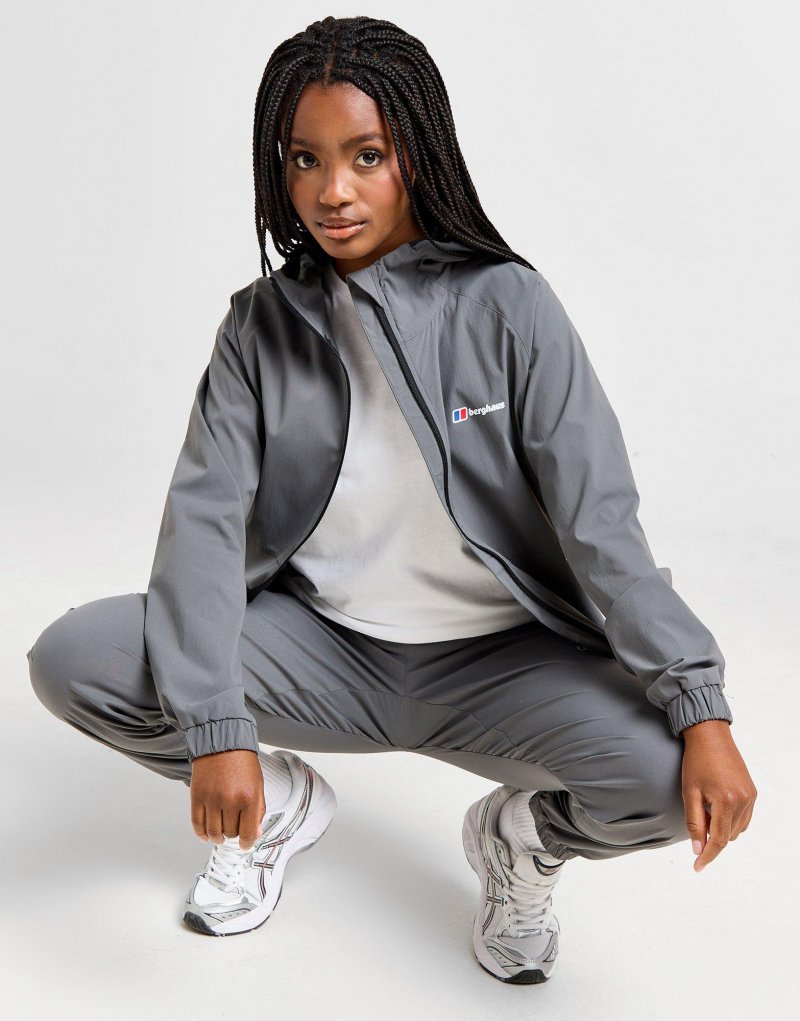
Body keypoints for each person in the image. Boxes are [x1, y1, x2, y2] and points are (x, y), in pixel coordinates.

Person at [26, 14, 756, 985]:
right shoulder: (259, 328)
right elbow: (203, 526)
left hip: (500, 666)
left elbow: (600, 529)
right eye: (305, 159)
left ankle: (518, 841)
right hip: (319, 650)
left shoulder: (509, 306)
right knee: (79, 658)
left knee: (669, 783)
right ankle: (278, 806)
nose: (332, 190)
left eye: (365, 156)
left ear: (418, 153)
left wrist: (699, 704)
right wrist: (219, 731)